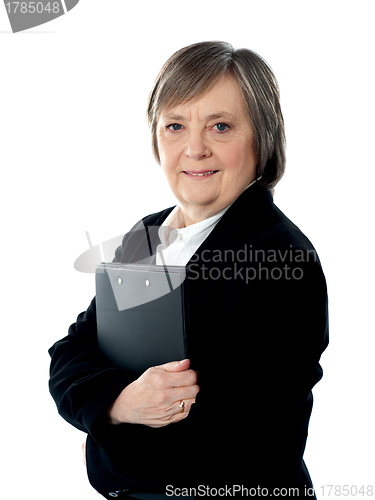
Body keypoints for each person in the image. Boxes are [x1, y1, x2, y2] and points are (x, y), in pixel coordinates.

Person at [49, 41, 328, 499]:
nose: (194, 149)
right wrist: (119, 405)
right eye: (175, 125)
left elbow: (232, 450)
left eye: (220, 126)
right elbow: (70, 352)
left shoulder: (283, 262)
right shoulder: (149, 232)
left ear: (262, 137)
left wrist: (100, 447)